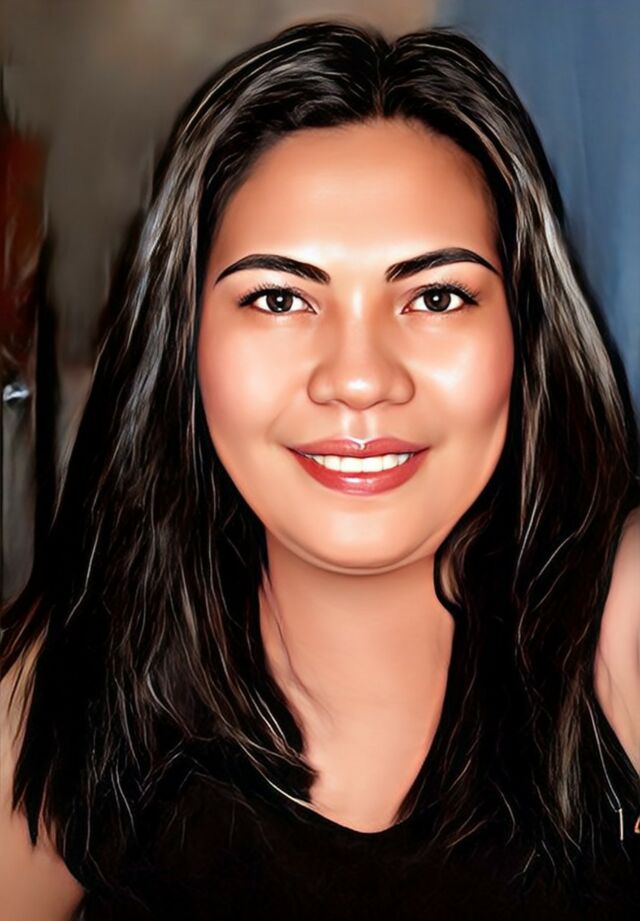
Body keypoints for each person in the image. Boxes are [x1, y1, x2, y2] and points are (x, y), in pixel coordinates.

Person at [1, 20, 638, 921]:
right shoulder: (67, 682)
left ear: (527, 335)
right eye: (279, 297)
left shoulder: (620, 621)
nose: (360, 379)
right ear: (184, 343)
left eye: (436, 295)